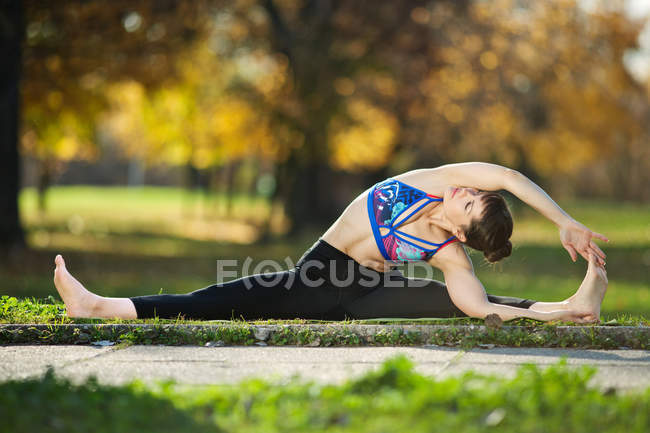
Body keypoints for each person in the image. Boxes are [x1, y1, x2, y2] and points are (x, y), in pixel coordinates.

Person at [53, 162, 609, 323]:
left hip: (345, 289)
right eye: (469, 192)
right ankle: (101, 305)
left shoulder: (448, 251)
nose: (466, 190)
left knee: (456, 304)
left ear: (461, 230)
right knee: (225, 299)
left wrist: (545, 318)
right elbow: (508, 178)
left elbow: (480, 303)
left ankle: (569, 307)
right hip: (333, 283)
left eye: (467, 202)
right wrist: (564, 220)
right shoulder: (439, 183)